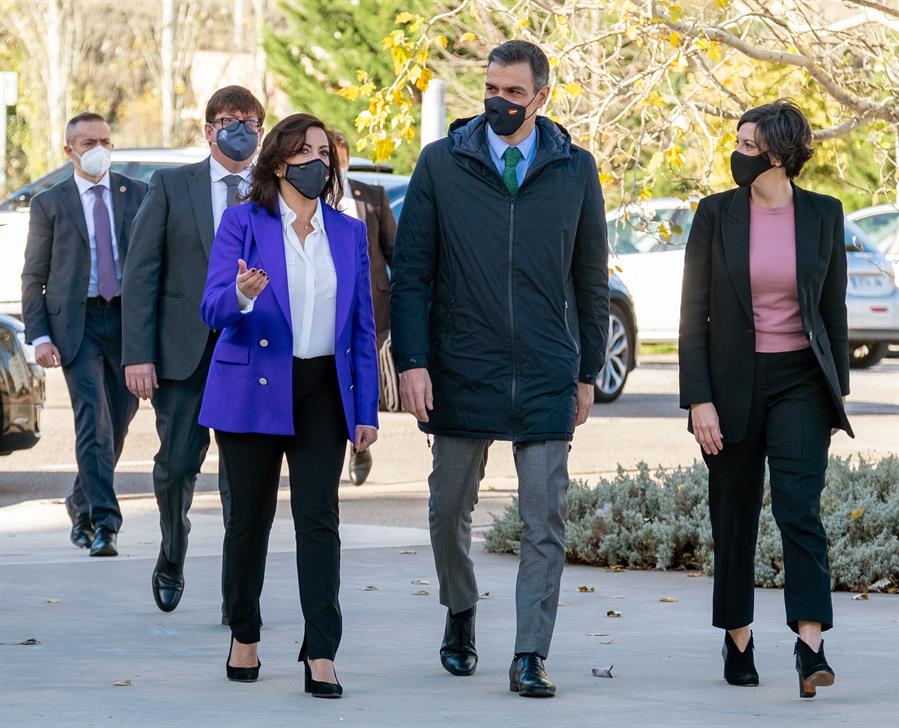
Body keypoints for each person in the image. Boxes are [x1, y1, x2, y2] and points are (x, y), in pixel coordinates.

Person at [390, 40, 609, 698]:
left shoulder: (574, 169)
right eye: (491, 88)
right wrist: (413, 361)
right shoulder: (441, 164)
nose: (498, 102)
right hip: (461, 365)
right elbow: (410, 275)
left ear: (541, 97)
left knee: (544, 522)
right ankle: (460, 610)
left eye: (513, 93)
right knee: (446, 509)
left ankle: (528, 654)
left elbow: (590, 280)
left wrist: (587, 370)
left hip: (545, 368)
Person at [198, 113, 379, 697]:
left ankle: (321, 651)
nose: (316, 162)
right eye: (304, 152)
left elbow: (360, 327)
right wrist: (242, 298)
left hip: (323, 390)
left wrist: (366, 411)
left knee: (319, 521)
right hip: (252, 388)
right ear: (278, 161)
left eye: (324, 153)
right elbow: (212, 309)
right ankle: (244, 635)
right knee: (248, 521)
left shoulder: (348, 232)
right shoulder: (241, 222)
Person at [678, 99, 853, 699]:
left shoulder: (824, 215)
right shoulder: (715, 214)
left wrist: (837, 398)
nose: (738, 153)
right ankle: (737, 636)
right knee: (733, 514)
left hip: (802, 381)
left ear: (780, 153)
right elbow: (691, 317)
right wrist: (698, 400)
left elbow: (833, 312)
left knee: (799, 508)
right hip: (730, 387)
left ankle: (810, 645)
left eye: (749, 145)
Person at [122, 86, 265, 616]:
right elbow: (141, 275)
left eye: (251, 122)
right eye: (229, 120)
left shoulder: (275, 191)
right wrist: (138, 353)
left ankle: (238, 594)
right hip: (183, 354)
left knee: (244, 478)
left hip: (252, 352)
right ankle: (172, 553)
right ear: (208, 131)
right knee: (176, 466)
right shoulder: (170, 185)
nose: (241, 130)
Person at [22, 112, 145, 558]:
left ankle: (79, 499)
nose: (99, 149)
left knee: (119, 421)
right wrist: (39, 337)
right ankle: (103, 523)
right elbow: (33, 276)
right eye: (89, 141)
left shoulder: (138, 195)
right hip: (77, 326)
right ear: (68, 149)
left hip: (127, 324)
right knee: (93, 418)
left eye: (106, 141)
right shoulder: (49, 204)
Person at [332, 129, 398, 485]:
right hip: (330, 307)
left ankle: (359, 445)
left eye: (342, 158)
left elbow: (395, 252)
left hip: (371, 305)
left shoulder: (370, 196)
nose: (337, 164)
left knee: (362, 376)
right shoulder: (309, 197)